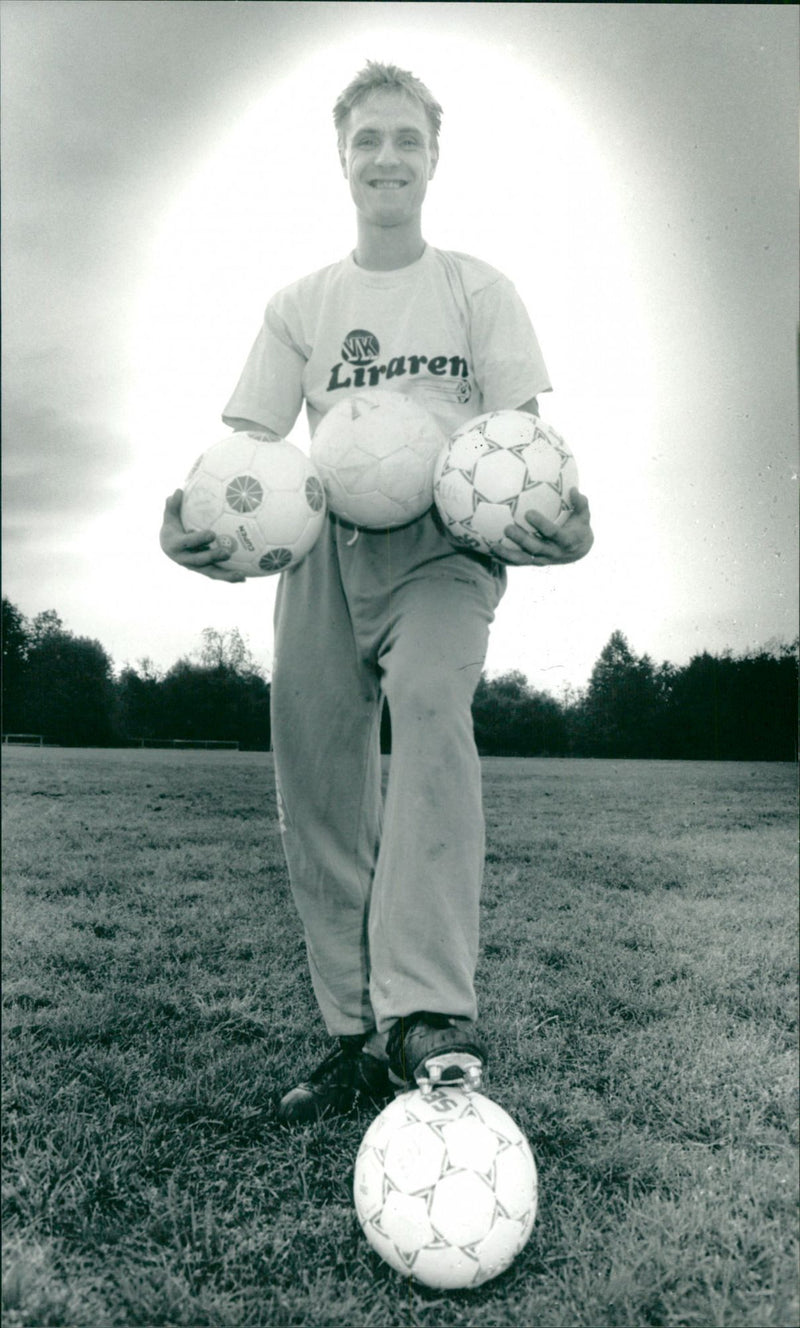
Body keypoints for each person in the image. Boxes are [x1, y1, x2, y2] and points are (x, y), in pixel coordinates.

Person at [160, 62, 593, 1124]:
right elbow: (249, 453)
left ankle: (430, 1013)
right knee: (316, 780)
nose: (387, 156)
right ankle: (355, 1036)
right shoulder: (301, 304)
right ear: (341, 159)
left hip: (443, 554)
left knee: (435, 716)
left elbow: (527, 453)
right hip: (319, 555)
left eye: (406, 138)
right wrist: (191, 525)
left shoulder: (477, 290)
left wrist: (573, 527)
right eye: (368, 140)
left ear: (434, 158)